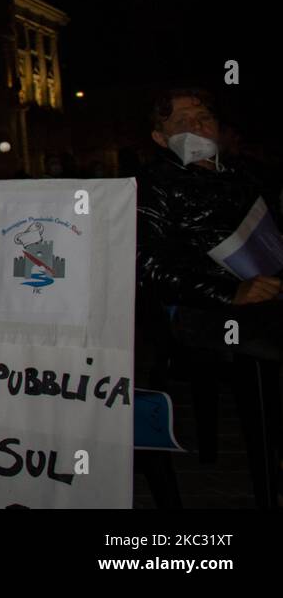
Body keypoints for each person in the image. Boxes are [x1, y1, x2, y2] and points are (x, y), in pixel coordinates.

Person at [136, 87, 283, 507]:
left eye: (203, 117)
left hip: (261, 297)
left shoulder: (245, 176)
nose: (197, 126)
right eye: (181, 121)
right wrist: (230, 292)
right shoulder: (154, 184)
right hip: (194, 309)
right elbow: (148, 264)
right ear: (160, 138)